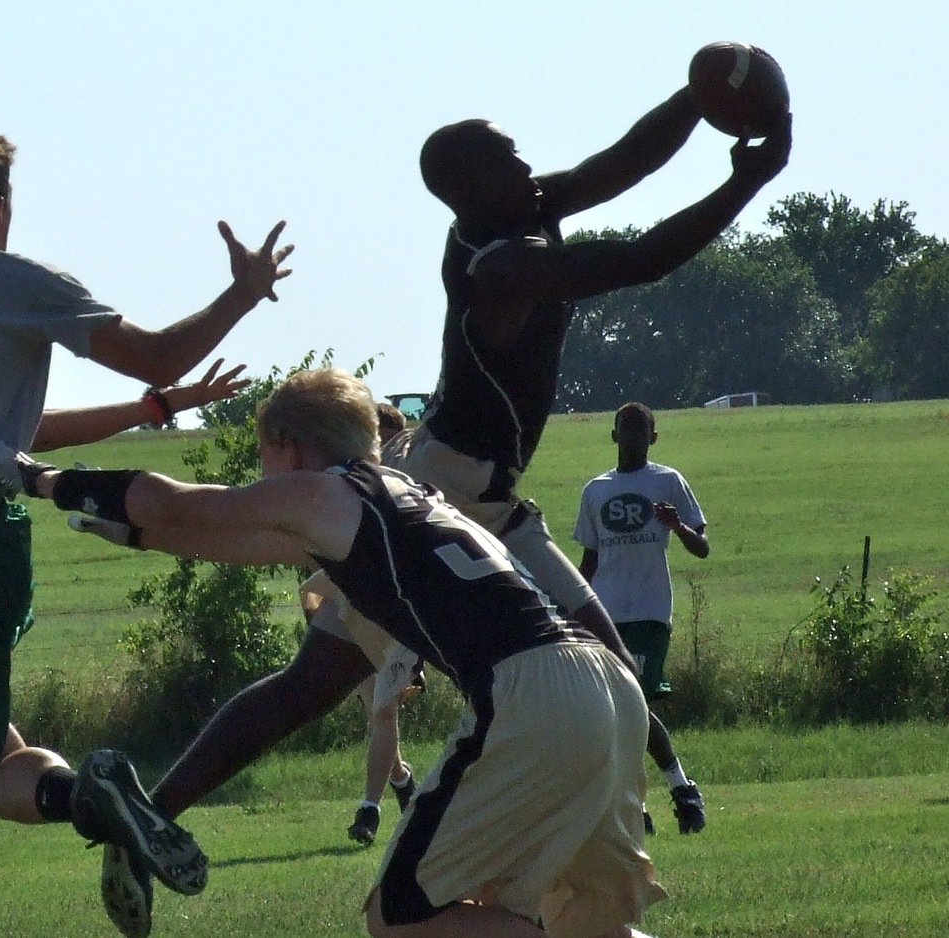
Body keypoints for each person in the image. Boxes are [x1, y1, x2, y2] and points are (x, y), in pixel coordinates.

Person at [113, 82, 792, 832]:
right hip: (437, 491)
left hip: (487, 497)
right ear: (468, 189)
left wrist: (698, 100)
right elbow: (638, 261)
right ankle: (150, 811)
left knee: (610, 665)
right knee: (315, 681)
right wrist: (745, 182)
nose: (528, 164)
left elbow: (618, 166)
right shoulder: (495, 267)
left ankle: (601, 824)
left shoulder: (519, 209)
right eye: (508, 157)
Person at [0, 367, 666, 938]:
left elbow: (173, 503)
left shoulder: (324, 492)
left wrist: (33, 477)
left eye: (267, 457)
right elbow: (219, 535)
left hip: (531, 691)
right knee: (585, 920)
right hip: (603, 684)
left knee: (403, 914)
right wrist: (135, 532)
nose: (266, 476)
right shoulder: (401, 491)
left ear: (290, 445)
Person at [0, 130, 293, 937]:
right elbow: (134, 369)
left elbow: (145, 366)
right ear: (0, 206)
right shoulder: (16, 282)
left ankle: (88, 798)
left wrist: (166, 388)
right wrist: (241, 299)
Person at [574, 402, 711, 835]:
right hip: (606, 614)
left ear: (654, 438)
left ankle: (677, 791)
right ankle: (644, 803)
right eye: (625, 431)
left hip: (651, 610)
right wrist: (570, 604)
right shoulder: (596, 490)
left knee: (636, 706)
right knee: (616, 710)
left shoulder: (667, 483)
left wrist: (679, 527)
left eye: (641, 432)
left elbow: (702, 546)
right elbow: (590, 559)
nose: (632, 439)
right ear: (614, 436)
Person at [343, 401, 420, 845]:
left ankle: (368, 812)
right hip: (358, 619)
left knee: (384, 708)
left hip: (398, 620)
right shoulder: (352, 489)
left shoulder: (406, 491)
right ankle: (404, 784)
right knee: (378, 712)